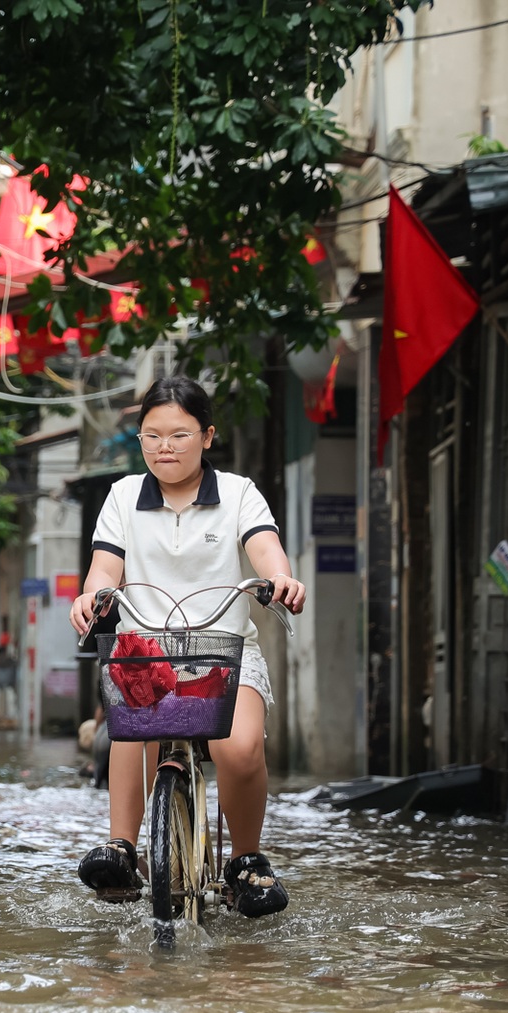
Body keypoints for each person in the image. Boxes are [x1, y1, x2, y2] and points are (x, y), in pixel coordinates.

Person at [67, 376, 304, 917]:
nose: (164, 446)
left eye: (179, 434)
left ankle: (245, 861)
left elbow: (266, 549)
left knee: (239, 749)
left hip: (226, 650)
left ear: (207, 436)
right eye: (152, 435)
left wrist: (282, 580)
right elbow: (105, 568)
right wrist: (90, 596)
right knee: (129, 718)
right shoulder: (123, 496)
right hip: (145, 652)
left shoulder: (239, 493)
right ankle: (122, 849)